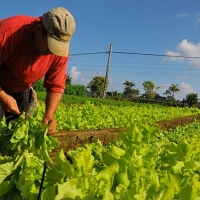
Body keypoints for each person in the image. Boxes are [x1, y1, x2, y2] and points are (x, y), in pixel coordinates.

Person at [0, 7, 75, 134]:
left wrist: (49, 115)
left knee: (17, 134)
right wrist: (2, 95)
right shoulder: (8, 32)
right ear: (39, 29)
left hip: (20, 89)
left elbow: (55, 87)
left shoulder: (60, 53)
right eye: (50, 45)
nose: (52, 52)